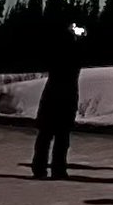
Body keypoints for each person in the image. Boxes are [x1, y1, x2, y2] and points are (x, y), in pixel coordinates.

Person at [31, 22, 85, 180]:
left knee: (48, 136)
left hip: (55, 97)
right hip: (63, 98)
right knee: (57, 137)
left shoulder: (59, 52)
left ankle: (43, 168)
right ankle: (55, 169)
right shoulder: (72, 53)